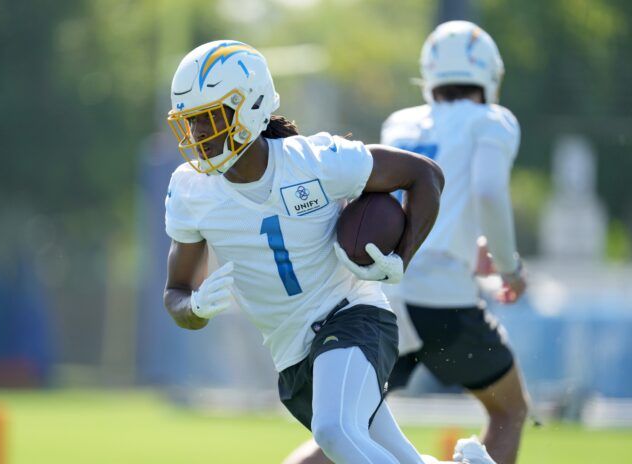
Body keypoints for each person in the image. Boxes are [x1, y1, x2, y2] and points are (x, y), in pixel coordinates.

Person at [161, 39, 505, 464]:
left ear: (249, 106)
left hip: (352, 314)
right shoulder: (191, 190)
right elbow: (174, 292)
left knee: (334, 431)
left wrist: (403, 258)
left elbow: (424, 174)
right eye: (192, 122)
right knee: (390, 454)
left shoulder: (315, 160)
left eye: (210, 118)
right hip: (292, 354)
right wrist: (193, 307)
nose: (199, 135)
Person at [283, 20, 530, 464]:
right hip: (445, 302)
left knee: (348, 427)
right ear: (489, 75)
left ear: (429, 74)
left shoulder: (401, 123)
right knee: (510, 410)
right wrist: (509, 267)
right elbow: (489, 192)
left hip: (387, 295)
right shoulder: (493, 121)